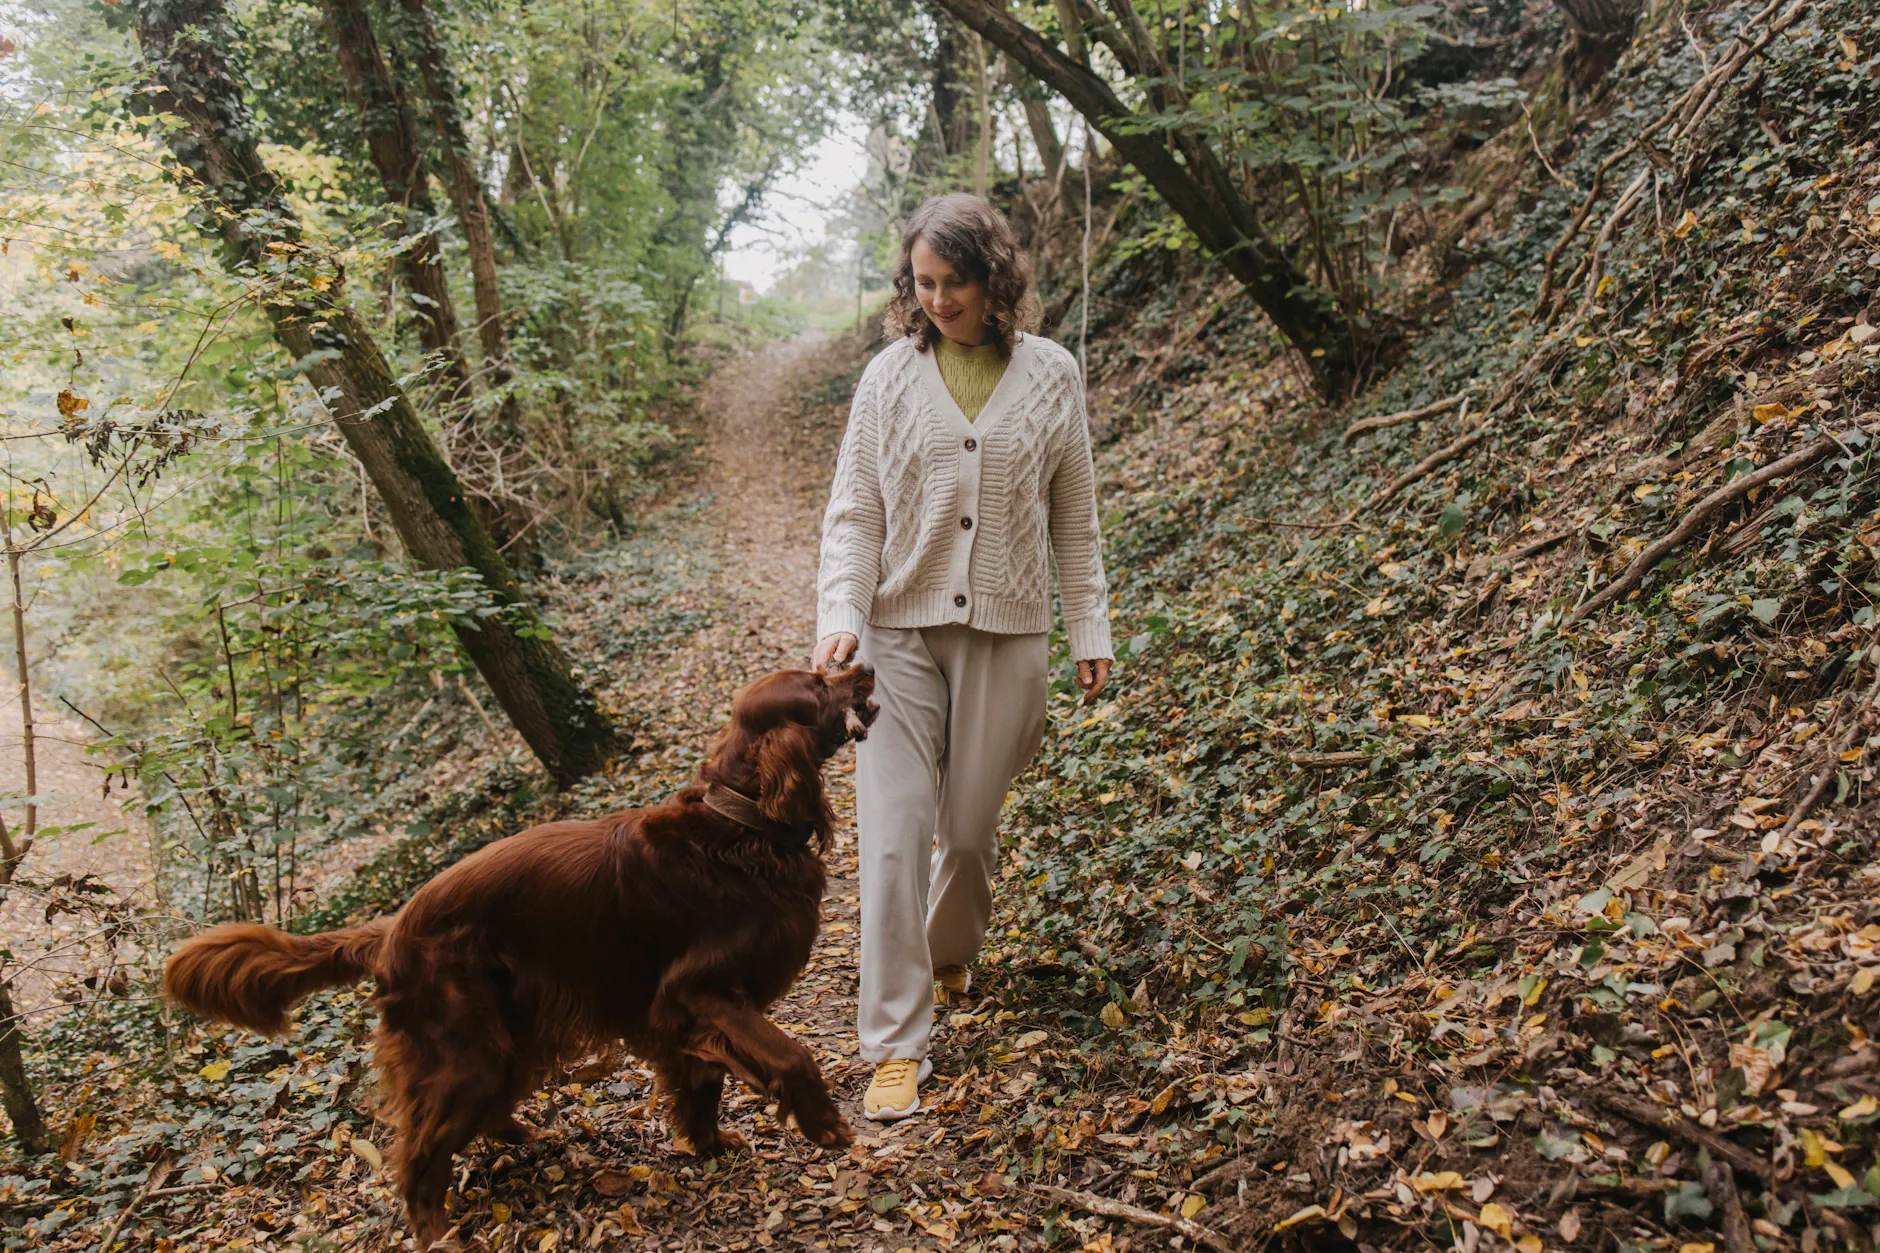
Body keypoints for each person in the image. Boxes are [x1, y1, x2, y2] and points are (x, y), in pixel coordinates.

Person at [812, 193, 1114, 1121]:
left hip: (1011, 632)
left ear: (994, 279)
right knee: (896, 837)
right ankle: (896, 1042)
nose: (937, 299)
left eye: (955, 282)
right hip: (895, 638)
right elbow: (856, 513)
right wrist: (842, 614)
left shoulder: (1053, 374)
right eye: (923, 283)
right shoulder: (887, 381)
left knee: (970, 835)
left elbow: (1075, 515)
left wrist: (1088, 627)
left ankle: (947, 950)